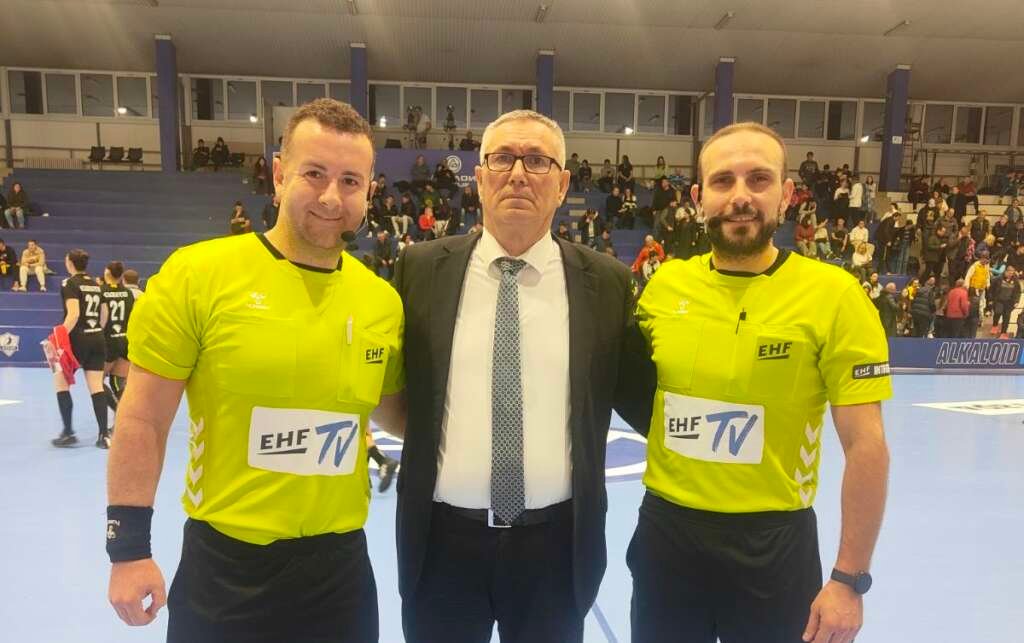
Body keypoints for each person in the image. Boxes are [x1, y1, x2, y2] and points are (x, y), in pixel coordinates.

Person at [104, 98, 405, 642]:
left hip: (339, 575)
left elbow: (397, 413)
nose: (331, 196)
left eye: (350, 181)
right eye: (314, 173)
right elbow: (144, 418)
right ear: (279, 174)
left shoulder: (381, 301)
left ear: (369, 190)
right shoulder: (199, 275)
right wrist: (128, 549)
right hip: (226, 571)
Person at [390, 109, 653, 643]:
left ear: (562, 184)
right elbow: (390, 386)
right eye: (502, 159)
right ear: (478, 177)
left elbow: (646, 401)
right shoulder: (420, 268)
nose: (517, 174)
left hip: (555, 547)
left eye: (536, 160)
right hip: (441, 544)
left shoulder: (606, 283)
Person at [631, 122, 891, 643]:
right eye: (723, 181)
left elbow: (867, 446)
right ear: (699, 199)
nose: (741, 197)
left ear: (786, 195)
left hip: (773, 544)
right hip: (667, 536)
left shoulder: (835, 295)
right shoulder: (664, 287)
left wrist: (849, 580)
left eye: (759, 179)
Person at [51, 249, 110, 448]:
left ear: (70, 263)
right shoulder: (96, 284)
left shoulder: (70, 283)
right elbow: (104, 314)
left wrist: (59, 337)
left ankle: (68, 432)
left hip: (77, 338)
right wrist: (96, 331)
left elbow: (74, 314)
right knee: (96, 386)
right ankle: (104, 435)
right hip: (97, 337)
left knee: (61, 381)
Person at [100, 261, 135, 411]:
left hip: (108, 340)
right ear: (121, 276)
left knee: (96, 382)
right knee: (119, 382)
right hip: (124, 339)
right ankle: (128, 415)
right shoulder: (128, 293)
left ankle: (120, 412)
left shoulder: (101, 291)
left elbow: (100, 317)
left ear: (107, 273)